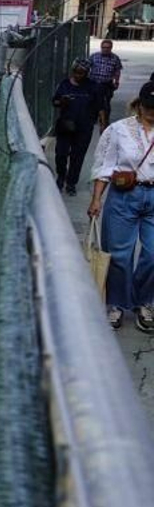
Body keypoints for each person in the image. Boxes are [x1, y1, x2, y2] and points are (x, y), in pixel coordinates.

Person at [88, 79, 154, 330]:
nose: (151, 110)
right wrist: (96, 199)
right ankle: (115, 304)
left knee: (153, 254)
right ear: (139, 104)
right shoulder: (118, 130)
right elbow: (104, 166)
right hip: (124, 196)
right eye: (148, 105)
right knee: (119, 255)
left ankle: (144, 300)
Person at [52, 59, 97, 195]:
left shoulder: (92, 86)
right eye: (76, 73)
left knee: (77, 157)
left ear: (87, 73)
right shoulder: (64, 84)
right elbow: (55, 101)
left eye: (82, 73)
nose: (79, 76)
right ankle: (61, 176)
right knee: (61, 154)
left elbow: (99, 105)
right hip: (65, 126)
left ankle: (71, 183)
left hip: (84, 128)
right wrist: (62, 101)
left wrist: (101, 122)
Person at [87, 38, 123, 128]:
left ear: (111, 48)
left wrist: (116, 82)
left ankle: (105, 120)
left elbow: (117, 70)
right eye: (103, 47)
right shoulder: (94, 56)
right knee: (93, 101)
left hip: (106, 84)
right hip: (94, 83)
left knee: (106, 103)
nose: (105, 49)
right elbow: (87, 67)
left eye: (108, 47)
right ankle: (93, 118)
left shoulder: (115, 58)